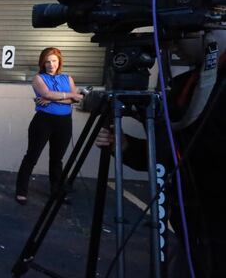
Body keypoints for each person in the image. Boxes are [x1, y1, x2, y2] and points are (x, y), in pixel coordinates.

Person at [95, 30, 226, 277]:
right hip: (193, 231)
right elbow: (176, 156)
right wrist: (125, 147)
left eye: (177, 35)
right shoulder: (189, 84)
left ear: (210, 29)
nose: (170, 46)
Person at [15, 47, 83, 205]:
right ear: (42, 63)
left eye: (53, 61)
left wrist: (54, 99)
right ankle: (21, 191)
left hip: (64, 122)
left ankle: (56, 191)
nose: (50, 64)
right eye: (47, 61)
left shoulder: (68, 78)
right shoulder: (38, 78)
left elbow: (76, 99)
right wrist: (69, 95)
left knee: (57, 159)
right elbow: (47, 94)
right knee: (32, 157)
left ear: (59, 62)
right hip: (43, 121)